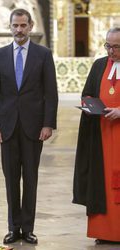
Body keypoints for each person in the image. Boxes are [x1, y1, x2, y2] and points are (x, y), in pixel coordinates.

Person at [0, 9, 58, 245]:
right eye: (15, 26)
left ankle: (28, 228)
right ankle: (13, 227)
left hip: (33, 127)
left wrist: (48, 124)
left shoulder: (43, 54)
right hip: (6, 127)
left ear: (31, 26)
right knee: (10, 180)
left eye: (23, 25)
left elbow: (51, 92)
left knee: (30, 178)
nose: (19, 30)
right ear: (10, 27)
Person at [73, 27, 120, 244]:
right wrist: (89, 104)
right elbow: (87, 93)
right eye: (108, 46)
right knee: (99, 181)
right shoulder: (99, 65)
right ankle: (103, 231)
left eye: (116, 47)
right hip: (100, 135)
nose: (111, 51)